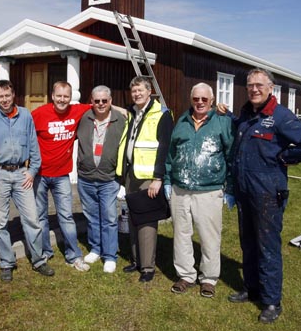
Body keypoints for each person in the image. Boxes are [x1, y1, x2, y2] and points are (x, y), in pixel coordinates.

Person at [223, 68, 301, 323]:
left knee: (267, 247)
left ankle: (270, 301)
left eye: (259, 85)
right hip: (246, 190)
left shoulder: (279, 116)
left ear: (270, 88)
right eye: (250, 85)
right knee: (248, 242)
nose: (254, 89)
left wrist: (284, 157)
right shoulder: (248, 114)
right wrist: (232, 116)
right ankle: (251, 287)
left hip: (268, 192)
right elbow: (244, 132)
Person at [164, 83, 234, 298]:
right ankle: (186, 275)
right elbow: (171, 154)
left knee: (209, 236)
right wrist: (168, 180)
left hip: (209, 190)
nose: (200, 102)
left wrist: (230, 187)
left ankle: (209, 278)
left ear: (211, 100)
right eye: (196, 99)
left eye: (204, 99)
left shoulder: (223, 122)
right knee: (181, 235)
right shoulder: (182, 122)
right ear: (191, 99)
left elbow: (231, 155)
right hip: (180, 189)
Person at [0, 80, 55, 282]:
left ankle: (39, 259)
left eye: (7, 95)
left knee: (32, 218)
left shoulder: (25, 115)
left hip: (22, 173)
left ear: (13, 95)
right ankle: (6, 261)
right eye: (0, 97)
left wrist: (32, 171)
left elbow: (34, 146)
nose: (4, 100)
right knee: (0, 222)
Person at [31, 81, 93, 272]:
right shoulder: (39, 114)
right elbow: (21, 128)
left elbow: (101, 104)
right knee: (40, 217)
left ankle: (73, 255)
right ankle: (44, 252)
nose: (62, 100)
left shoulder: (76, 111)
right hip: (40, 175)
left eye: (66, 96)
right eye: (59, 96)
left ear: (70, 97)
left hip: (62, 176)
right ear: (52, 95)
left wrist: (123, 111)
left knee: (66, 216)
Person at [116, 76, 173, 282]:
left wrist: (159, 178)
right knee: (132, 218)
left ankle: (148, 267)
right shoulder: (133, 112)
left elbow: (165, 148)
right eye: (134, 91)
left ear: (150, 92)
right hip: (132, 175)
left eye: (140, 90)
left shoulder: (162, 114)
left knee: (147, 221)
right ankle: (136, 260)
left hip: (149, 177)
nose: (137, 94)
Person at [76, 85, 126, 273]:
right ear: (91, 101)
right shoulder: (84, 118)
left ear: (111, 101)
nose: (100, 104)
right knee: (92, 217)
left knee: (109, 218)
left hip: (109, 179)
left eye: (104, 100)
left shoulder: (121, 119)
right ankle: (96, 248)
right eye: (97, 101)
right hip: (86, 178)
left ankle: (110, 255)